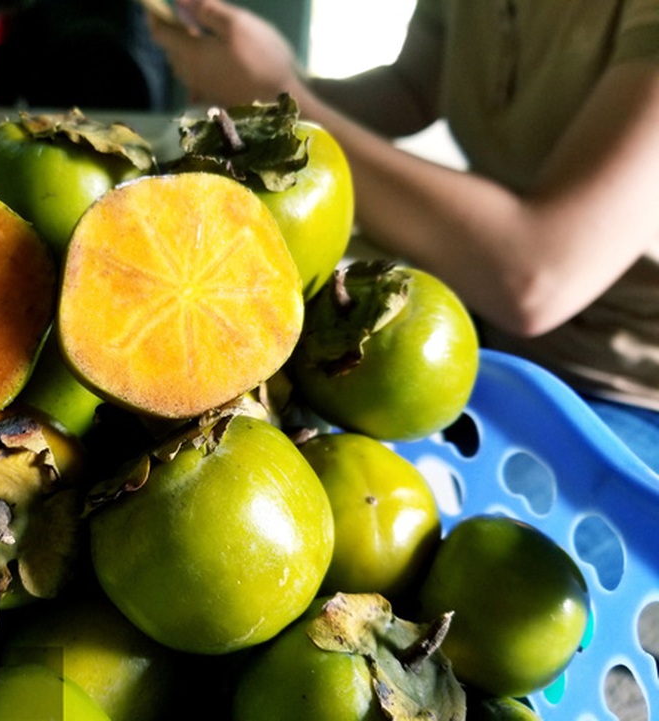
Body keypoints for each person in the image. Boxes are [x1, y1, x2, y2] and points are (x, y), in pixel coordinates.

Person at [147, 0, 659, 472]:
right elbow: (412, 87)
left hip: (624, 398)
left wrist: (282, 93)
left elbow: (538, 274)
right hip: (487, 348)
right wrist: (263, 83)